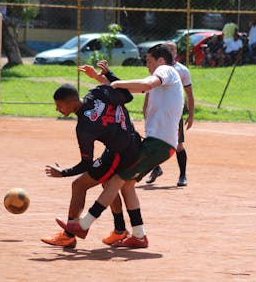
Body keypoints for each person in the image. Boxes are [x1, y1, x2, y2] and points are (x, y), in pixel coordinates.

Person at [57, 44, 183, 248]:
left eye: (149, 60)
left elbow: (145, 84)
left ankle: (84, 224)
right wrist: (103, 79)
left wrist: (116, 83)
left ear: (160, 60)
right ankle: (139, 235)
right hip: (158, 143)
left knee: (116, 181)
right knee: (127, 185)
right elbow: (125, 92)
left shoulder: (165, 70)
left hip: (158, 144)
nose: (147, 65)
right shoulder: (167, 80)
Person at [40, 79, 143, 248]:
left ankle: (69, 235)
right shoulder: (98, 93)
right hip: (131, 142)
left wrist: (63, 172)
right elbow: (127, 95)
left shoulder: (84, 127)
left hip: (121, 153)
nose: (57, 109)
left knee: (79, 185)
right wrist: (108, 75)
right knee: (107, 182)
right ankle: (120, 231)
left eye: (59, 105)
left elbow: (86, 164)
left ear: (71, 102)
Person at [146, 41, 194, 186]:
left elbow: (189, 94)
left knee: (178, 145)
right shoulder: (157, 67)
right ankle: (156, 169)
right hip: (157, 113)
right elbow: (150, 89)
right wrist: (146, 108)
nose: (171, 51)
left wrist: (191, 114)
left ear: (176, 52)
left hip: (172, 114)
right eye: (168, 49)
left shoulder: (182, 70)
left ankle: (182, 175)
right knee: (152, 140)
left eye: (173, 49)